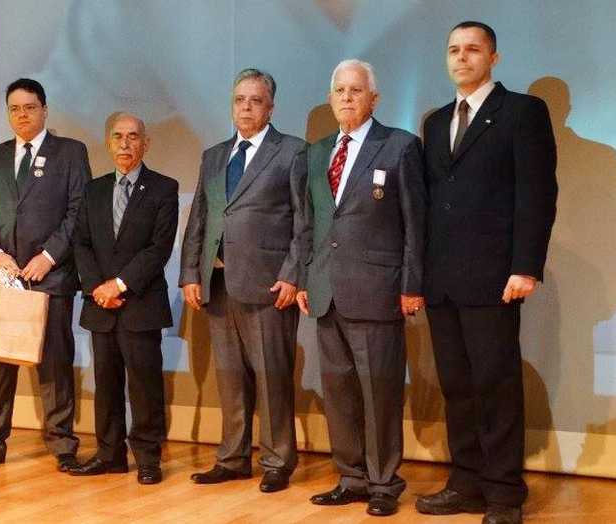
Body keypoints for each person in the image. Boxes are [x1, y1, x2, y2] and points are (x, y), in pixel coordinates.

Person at [415, 22, 557, 524]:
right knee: (456, 387)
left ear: (493, 58)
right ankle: (466, 482)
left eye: (472, 49)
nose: (462, 57)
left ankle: (503, 495)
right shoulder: (435, 122)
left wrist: (526, 266)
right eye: (453, 49)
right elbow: (432, 201)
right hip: (442, 280)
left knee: (496, 386)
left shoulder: (522, 112)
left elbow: (537, 194)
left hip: (496, 278)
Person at [296, 59, 426, 516]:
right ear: (330, 99)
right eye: (340, 90)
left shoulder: (400, 147)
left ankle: (384, 483)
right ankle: (350, 477)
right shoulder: (317, 153)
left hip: (378, 291)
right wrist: (304, 276)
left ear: (374, 98)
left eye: (356, 90)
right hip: (325, 290)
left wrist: (412, 284)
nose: (347, 98)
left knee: (380, 393)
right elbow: (309, 223)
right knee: (339, 393)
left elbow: (415, 224)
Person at [179, 68, 307, 493]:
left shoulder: (292, 151)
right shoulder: (214, 156)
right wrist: (190, 273)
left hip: (269, 287)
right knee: (230, 378)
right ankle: (232, 458)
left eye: (255, 100)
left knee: (272, 378)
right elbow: (199, 218)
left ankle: (277, 461)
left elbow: (304, 221)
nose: (246, 107)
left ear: (270, 108)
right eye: (239, 100)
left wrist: (292, 275)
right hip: (218, 285)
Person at [0, 78, 92, 472]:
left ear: (45, 110)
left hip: (50, 275)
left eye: (30, 107)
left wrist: (48, 257)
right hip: (4, 279)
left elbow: (79, 211)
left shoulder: (70, 152)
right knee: (0, 364)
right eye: (14, 109)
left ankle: (62, 443)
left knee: (55, 364)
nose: (22, 115)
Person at [71, 112, 178, 484]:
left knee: (145, 387)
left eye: (133, 136)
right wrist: (97, 288)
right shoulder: (93, 190)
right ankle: (109, 455)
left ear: (145, 144)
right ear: (108, 143)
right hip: (100, 306)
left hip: (140, 303)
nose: (125, 143)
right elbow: (81, 244)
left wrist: (118, 285)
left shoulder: (164, 188)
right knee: (106, 385)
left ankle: (148, 459)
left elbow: (158, 248)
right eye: (118, 136)